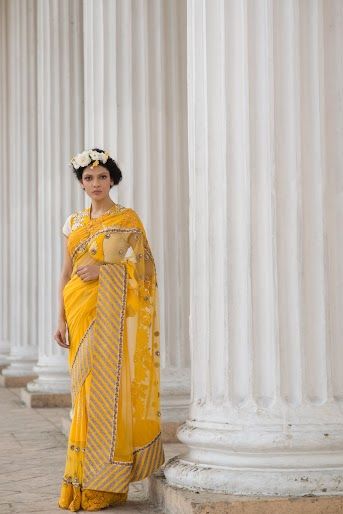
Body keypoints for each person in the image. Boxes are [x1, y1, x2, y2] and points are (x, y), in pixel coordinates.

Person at [55, 148, 164, 511]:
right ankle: (81, 479)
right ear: (81, 183)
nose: (96, 183)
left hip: (111, 316)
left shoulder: (128, 220)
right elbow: (66, 272)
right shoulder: (72, 224)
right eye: (89, 178)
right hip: (78, 312)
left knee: (105, 392)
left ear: (112, 179)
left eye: (102, 177)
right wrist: (59, 318)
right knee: (83, 392)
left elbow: (146, 272)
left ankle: (106, 482)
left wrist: (107, 271)